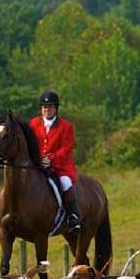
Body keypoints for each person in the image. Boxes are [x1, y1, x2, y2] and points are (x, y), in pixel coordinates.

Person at [31, 90, 82, 233]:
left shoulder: (66, 126)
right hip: (38, 164)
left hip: (60, 166)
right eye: (44, 107)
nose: (46, 110)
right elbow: (31, 144)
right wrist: (39, 159)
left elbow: (67, 148)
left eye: (50, 107)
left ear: (56, 108)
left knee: (65, 183)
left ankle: (73, 215)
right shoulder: (34, 124)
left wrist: (51, 159)